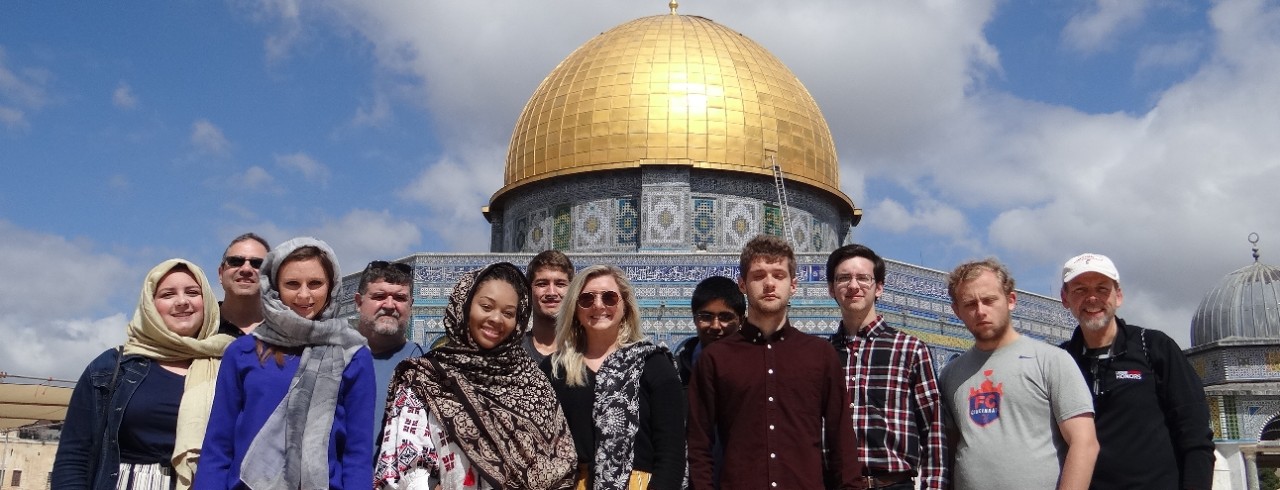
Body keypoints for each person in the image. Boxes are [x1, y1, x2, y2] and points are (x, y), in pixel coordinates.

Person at [374, 262, 577, 489]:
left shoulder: (533, 382)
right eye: (486, 306)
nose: (497, 319)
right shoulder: (427, 377)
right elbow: (403, 469)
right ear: (465, 306)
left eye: (508, 313)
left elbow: (560, 463)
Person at [196, 237, 375, 489]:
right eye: (292, 284)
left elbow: (357, 454)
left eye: (315, 283)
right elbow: (218, 446)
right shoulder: (243, 351)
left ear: (331, 287)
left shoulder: (352, 354)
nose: (304, 295)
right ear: (275, 288)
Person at [687, 234, 863, 489]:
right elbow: (699, 445)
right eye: (758, 276)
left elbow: (842, 441)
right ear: (743, 285)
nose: (769, 284)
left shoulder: (820, 355)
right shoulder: (716, 359)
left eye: (778, 275)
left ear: (793, 284)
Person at [53, 259, 233, 490]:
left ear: (206, 300)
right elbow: (74, 456)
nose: (182, 301)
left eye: (192, 292)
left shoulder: (230, 366)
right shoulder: (110, 368)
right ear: (150, 305)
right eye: (168, 294)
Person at [1057, 253, 1214, 490]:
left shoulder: (1154, 347)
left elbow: (1196, 435)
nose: (1092, 298)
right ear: (1065, 298)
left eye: (1102, 288)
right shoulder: (1060, 361)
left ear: (1118, 296)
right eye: (1079, 290)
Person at [940, 258, 1098, 490]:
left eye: (989, 300)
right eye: (970, 304)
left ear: (1011, 300)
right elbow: (950, 449)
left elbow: (1084, 443)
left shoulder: (1051, 360)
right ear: (956, 311)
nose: (981, 311)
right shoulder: (951, 373)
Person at [542, 265, 685, 489]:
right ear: (575, 309)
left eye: (609, 298)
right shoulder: (555, 370)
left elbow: (671, 454)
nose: (598, 305)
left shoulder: (653, 365)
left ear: (625, 305)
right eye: (587, 299)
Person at [826, 244, 946, 489]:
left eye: (863, 278)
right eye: (843, 278)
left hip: (892, 483)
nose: (853, 285)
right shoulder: (821, 356)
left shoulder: (910, 350)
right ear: (831, 288)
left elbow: (933, 429)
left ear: (879, 287)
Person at [355, 259, 424, 441]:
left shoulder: (427, 365)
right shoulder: (331, 358)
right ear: (358, 302)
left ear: (411, 305)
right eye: (379, 296)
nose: (389, 305)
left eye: (400, 298)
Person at [674, 275, 744, 386]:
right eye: (706, 317)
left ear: (741, 320)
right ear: (695, 319)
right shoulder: (674, 374)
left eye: (725, 317)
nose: (715, 326)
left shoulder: (756, 369)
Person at [524, 250, 574, 363]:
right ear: (528, 291)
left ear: (572, 291)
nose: (551, 293)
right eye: (542, 284)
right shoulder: (513, 352)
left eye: (560, 284)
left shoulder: (587, 353)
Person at [216, 233, 270, 337]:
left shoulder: (288, 332)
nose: (246, 269)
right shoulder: (198, 327)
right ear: (221, 274)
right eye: (236, 261)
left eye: (257, 264)